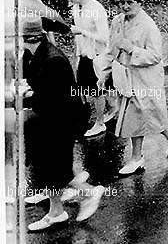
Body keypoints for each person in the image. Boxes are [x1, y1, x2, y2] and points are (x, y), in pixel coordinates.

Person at [21, 17, 105, 231]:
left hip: (61, 120)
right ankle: (56, 212)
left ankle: (87, 191)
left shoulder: (53, 59)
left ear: (28, 38)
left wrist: (28, 94)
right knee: (48, 167)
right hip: (47, 119)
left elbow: (54, 98)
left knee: (56, 169)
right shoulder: (33, 55)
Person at [99, 0, 168, 175]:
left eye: (130, 2)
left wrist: (132, 49)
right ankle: (148, 149)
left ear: (139, 3)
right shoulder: (117, 21)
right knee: (138, 115)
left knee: (147, 114)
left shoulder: (148, 25)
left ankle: (150, 148)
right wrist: (105, 72)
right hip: (126, 77)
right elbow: (111, 48)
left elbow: (155, 56)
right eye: (122, 2)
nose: (125, 6)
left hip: (146, 77)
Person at [65, 0, 114, 137]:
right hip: (84, 54)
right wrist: (78, 54)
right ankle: (113, 108)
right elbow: (78, 36)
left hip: (97, 55)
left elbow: (105, 38)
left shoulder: (96, 8)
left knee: (96, 90)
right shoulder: (76, 8)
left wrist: (82, 31)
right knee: (87, 88)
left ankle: (100, 123)